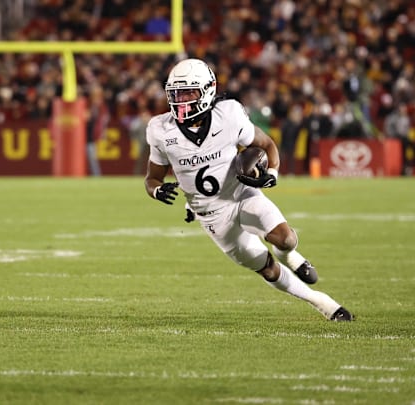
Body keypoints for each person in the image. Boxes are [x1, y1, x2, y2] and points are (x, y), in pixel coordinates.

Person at [144, 58, 353, 322]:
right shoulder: (160, 130)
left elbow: (267, 144)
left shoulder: (229, 115)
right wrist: (157, 191)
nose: (181, 100)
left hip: (242, 194)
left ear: (208, 90)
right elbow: (152, 178)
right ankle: (321, 301)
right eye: (176, 94)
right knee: (267, 269)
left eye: (189, 93)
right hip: (211, 215)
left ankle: (291, 255)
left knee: (285, 239)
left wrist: (273, 174)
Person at [384, 103, 413, 176]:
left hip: (404, 137)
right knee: (401, 152)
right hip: (396, 138)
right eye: (402, 109)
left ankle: (407, 167)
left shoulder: (406, 118)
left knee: (408, 150)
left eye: (404, 109)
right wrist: (392, 136)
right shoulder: (393, 117)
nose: (403, 110)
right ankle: (403, 168)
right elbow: (389, 128)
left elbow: (406, 129)